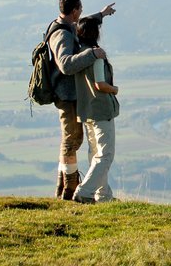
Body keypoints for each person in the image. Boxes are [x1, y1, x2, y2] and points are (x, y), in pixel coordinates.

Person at [47, 0, 116, 200]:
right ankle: (69, 190)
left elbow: (82, 27)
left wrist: (101, 15)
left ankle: (95, 193)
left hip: (76, 95)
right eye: (81, 8)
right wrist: (92, 54)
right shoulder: (61, 34)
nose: (82, 11)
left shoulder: (68, 27)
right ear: (75, 10)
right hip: (66, 96)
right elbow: (66, 64)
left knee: (80, 143)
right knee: (72, 140)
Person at [71, 15, 120, 203]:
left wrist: (102, 13)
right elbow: (100, 84)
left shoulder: (79, 55)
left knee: (95, 153)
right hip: (101, 109)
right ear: (96, 33)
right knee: (106, 155)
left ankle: (103, 195)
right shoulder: (96, 55)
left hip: (86, 111)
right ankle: (85, 192)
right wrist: (114, 89)